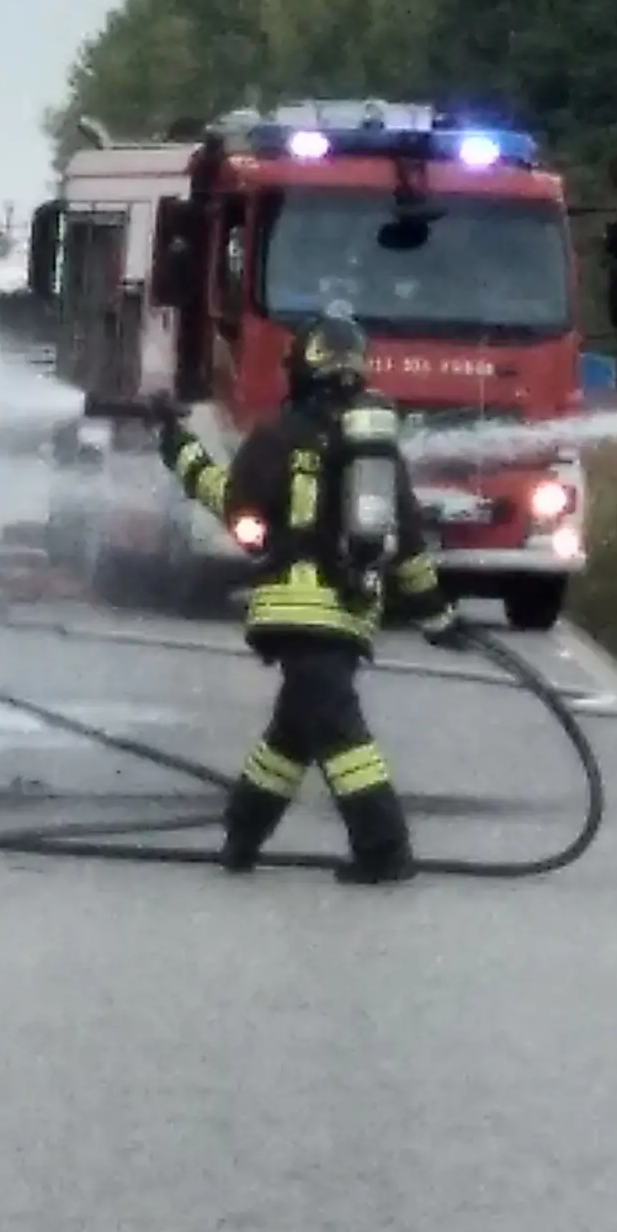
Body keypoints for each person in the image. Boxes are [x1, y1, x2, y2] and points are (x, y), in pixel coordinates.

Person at [163, 313, 468, 883]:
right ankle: (242, 838)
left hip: (291, 609)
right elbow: (407, 544)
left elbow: (235, 509)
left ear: (301, 367)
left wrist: (179, 449)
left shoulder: (277, 436)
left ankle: (382, 850)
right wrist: (437, 616)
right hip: (349, 611)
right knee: (296, 732)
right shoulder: (376, 454)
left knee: (334, 736)